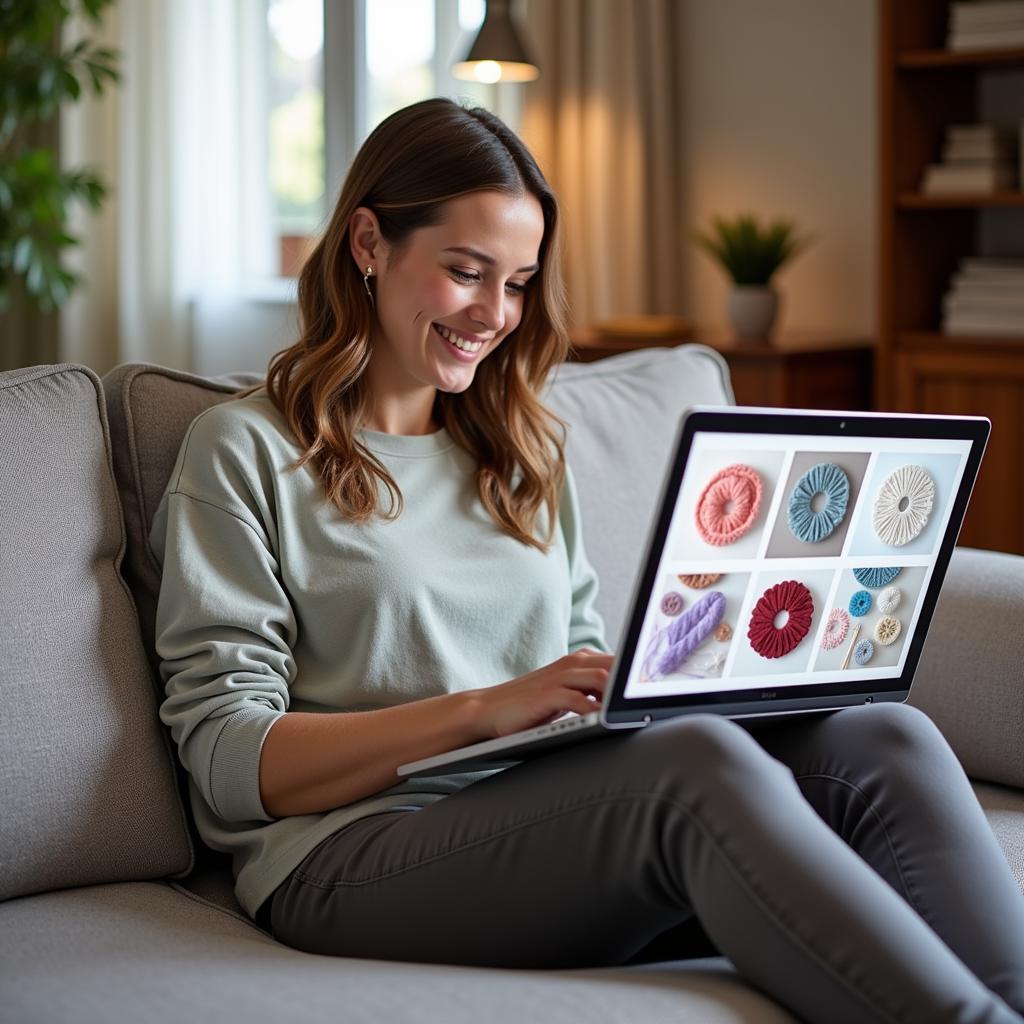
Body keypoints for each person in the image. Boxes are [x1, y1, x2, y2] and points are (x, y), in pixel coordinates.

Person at [150, 98, 1024, 1024]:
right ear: (368, 242)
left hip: (542, 812)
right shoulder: (242, 450)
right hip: (347, 855)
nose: (494, 315)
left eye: (519, 283)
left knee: (881, 735)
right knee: (690, 768)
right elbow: (230, 756)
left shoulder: (519, 449)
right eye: (465, 272)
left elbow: (583, 675)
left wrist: (702, 678)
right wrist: (488, 710)